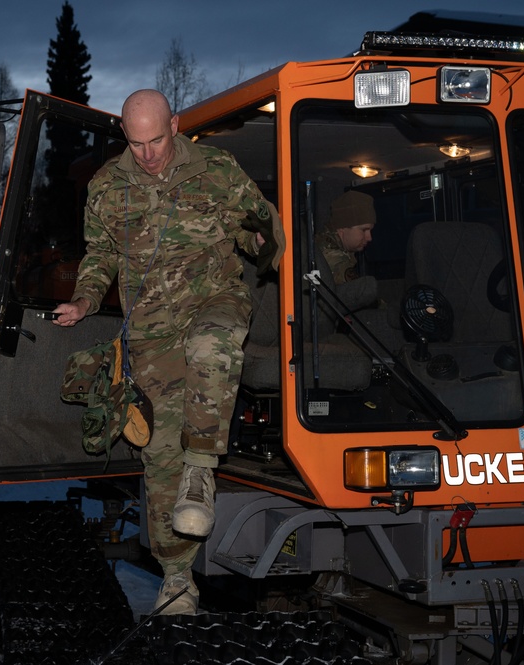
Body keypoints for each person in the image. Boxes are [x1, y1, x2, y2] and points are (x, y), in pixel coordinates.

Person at [52, 89, 281, 615]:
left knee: (211, 347)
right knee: (158, 457)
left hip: (215, 300)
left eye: (156, 139)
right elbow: (101, 254)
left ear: (175, 125)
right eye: (136, 144)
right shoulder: (108, 187)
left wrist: (267, 237)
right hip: (152, 333)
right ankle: (177, 580)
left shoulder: (217, 169)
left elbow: (259, 234)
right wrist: (86, 298)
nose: (149, 153)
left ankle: (203, 468)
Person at [316, 189, 378, 313]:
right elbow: (359, 292)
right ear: (342, 228)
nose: (369, 237)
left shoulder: (329, 243)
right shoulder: (331, 254)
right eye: (364, 230)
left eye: (370, 231)